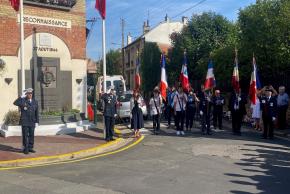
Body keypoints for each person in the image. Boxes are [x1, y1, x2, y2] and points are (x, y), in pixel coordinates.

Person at [13, 88, 39, 154]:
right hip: (25, 121)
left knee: (31, 135)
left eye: (31, 93)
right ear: (26, 94)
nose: (30, 95)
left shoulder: (35, 101)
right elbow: (15, 103)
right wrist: (21, 97)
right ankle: (25, 148)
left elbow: (37, 112)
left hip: (32, 121)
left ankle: (30, 147)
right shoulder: (23, 101)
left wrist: (37, 121)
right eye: (28, 94)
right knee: (25, 135)